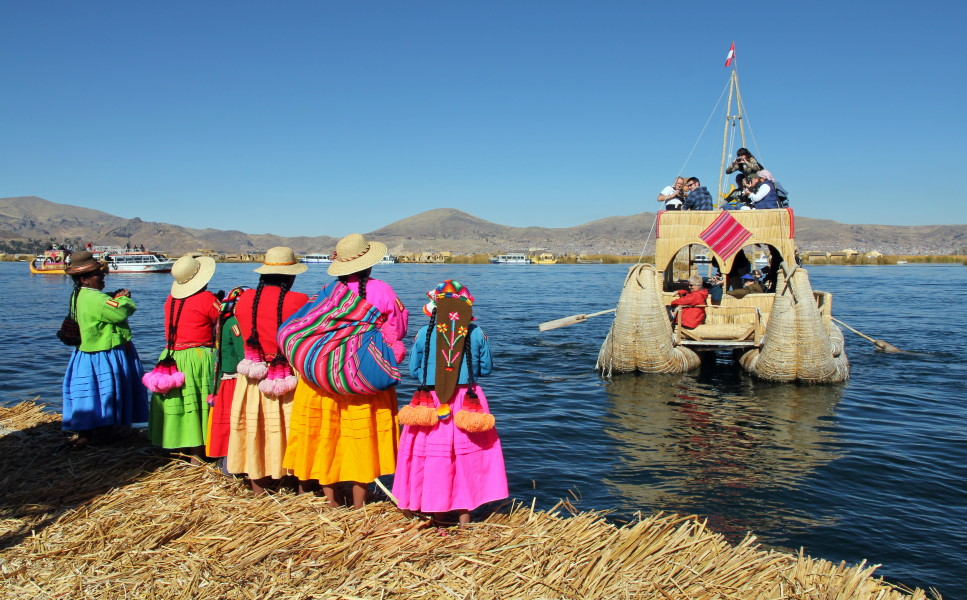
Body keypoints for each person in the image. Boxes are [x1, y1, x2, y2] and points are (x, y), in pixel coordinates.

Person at [283, 233, 408, 508]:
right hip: (363, 380)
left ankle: (332, 500)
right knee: (360, 440)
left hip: (322, 379)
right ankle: (360, 503)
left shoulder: (327, 292)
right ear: (369, 263)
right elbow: (397, 331)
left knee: (328, 437)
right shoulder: (383, 290)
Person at [393, 280, 507, 527]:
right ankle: (465, 517)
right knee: (466, 457)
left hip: (431, 403)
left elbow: (414, 370)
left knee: (435, 458)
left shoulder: (424, 333)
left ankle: (438, 516)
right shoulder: (476, 332)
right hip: (468, 403)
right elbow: (486, 369)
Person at [227, 247, 309, 494]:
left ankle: (258, 485)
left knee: (257, 426)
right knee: (291, 426)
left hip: (254, 374)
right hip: (287, 375)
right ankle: (299, 484)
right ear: (291, 276)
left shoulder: (244, 299)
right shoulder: (300, 301)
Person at [61, 252, 148, 448]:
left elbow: (102, 304)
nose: (103, 276)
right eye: (98, 274)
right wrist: (124, 298)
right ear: (84, 279)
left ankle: (85, 435)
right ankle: (102, 437)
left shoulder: (80, 294)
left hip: (85, 353)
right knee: (106, 393)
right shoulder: (94, 299)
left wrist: (112, 297)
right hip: (103, 354)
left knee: (90, 395)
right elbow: (119, 311)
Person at [146, 253, 220, 463]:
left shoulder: (171, 299)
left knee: (177, 401)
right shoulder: (207, 298)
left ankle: (175, 446)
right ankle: (198, 453)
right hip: (196, 356)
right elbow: (221, 321)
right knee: (197, 401)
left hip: (171, 355)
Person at [205, 286, 246, 462]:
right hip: (233, 378)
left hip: (222, 378)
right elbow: (241, 352)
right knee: (234, 419)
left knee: (223, 419)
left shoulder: (222, 320)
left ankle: (223, 460)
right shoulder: (235, 323)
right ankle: (231, 463)